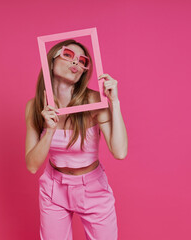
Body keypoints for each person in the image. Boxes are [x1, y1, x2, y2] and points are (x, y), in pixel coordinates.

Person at [25, 39, 128, 240]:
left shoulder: (94, 102)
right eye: (68, 55)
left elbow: (120, 152)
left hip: (92, 188)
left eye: (82, 61)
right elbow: (31, 165)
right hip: (54, 188)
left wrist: (114, 102)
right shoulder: (34, 107)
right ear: (51, 60)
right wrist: (50, 131)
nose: (76, 63)